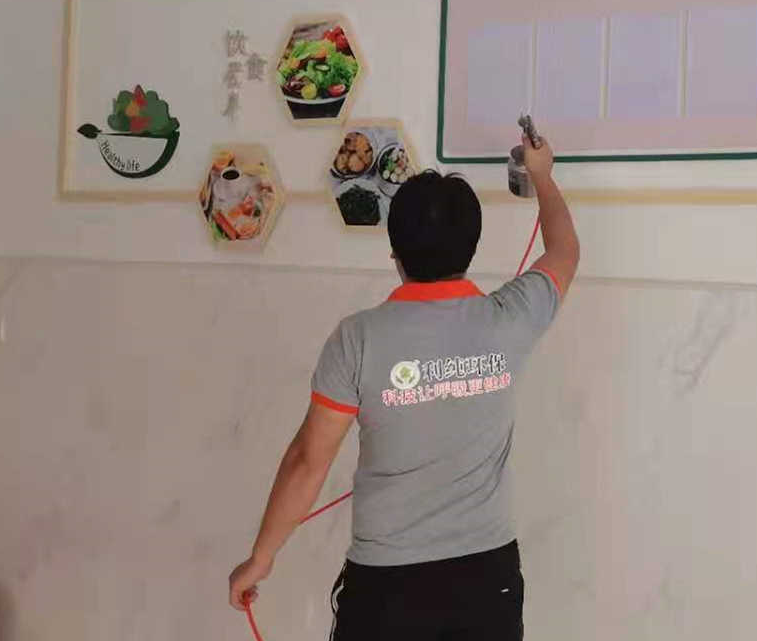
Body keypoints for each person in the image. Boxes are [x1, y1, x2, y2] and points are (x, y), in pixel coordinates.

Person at [228, 135, 579, 640]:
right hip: (487, 583)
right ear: (471, 246)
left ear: (394, 251)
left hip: (387, 592)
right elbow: (564, 250)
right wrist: (541, 175)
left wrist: (261, 558)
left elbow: (308, 460)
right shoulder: (511, 318)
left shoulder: (358, 338)